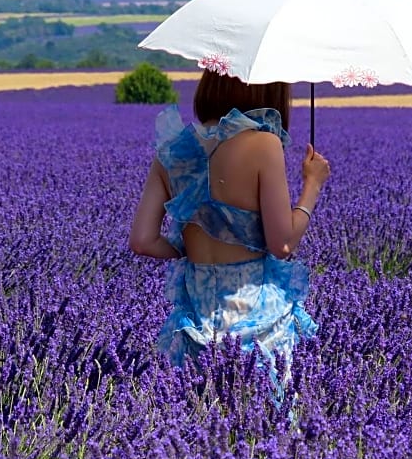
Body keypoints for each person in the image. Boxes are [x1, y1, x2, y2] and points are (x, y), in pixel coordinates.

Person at [128, 69, 331, 396]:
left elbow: (142, 240)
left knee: (196, 419)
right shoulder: (264, 144)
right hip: (254, 307)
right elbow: (282, 243)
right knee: (264, 423)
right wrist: (312, 185)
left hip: (196, 308)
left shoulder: (173, 150)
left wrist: (189, 247)